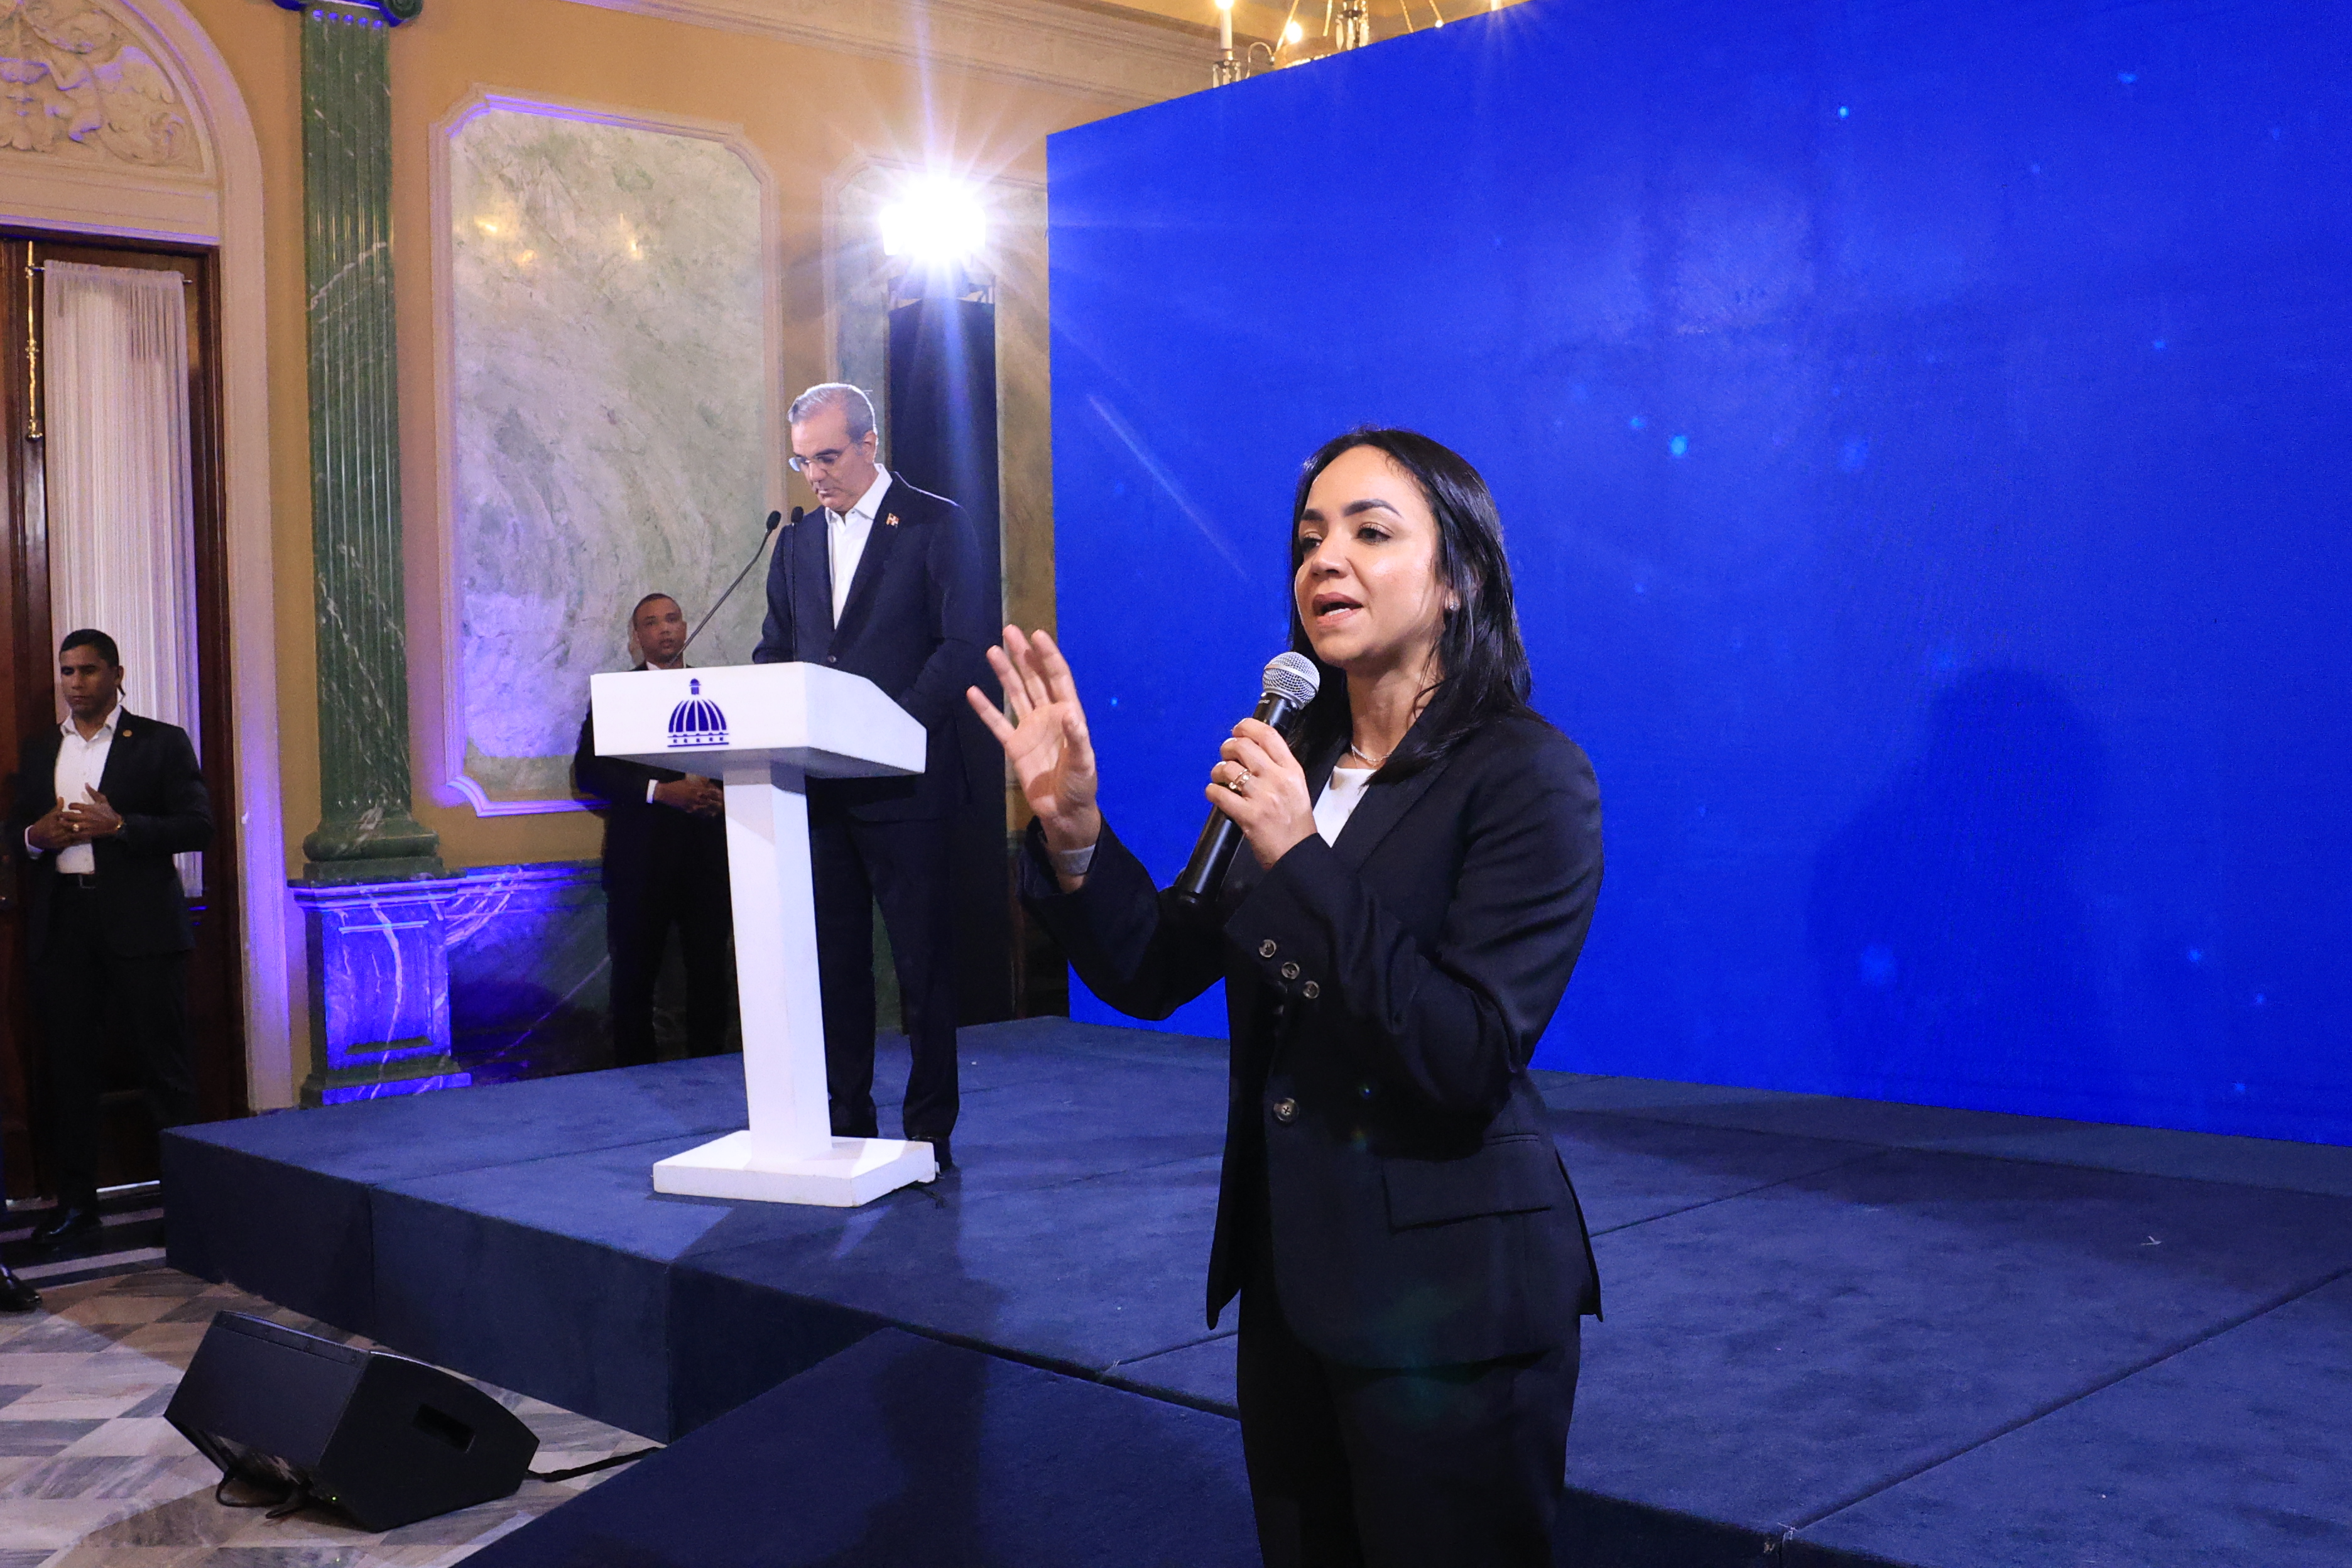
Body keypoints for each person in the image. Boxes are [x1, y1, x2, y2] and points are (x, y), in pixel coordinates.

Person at [969, 430, 1604, 1566]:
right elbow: (1155, 966)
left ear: (1457, 578)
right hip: (1292, 1292)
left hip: (1452, 1308)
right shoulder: (1290, 754)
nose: (1325, 561)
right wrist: (1072, 837)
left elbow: (1464, 1053)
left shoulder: (1527, 776)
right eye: (1310, 538)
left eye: (1370, 531)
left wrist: (1300, 856)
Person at [754, 383, 987, 1168]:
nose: (814, 475)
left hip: (907, 788)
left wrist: (886, 732)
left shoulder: (935, 524)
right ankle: (847, 1119)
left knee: (923, 967)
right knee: (836, 968)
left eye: (827, 456)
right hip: (820, 794)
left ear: (869, 444)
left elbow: (961, 647)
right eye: (802, 461)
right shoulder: (794, 544)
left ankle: (929, 1131)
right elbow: (776, 650)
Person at [7, 629, 213, 1249]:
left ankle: (191, 1205)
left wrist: (120, 825)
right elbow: (15, 831)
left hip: (142, 927)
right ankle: (76, 1204)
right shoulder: (43, 748)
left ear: (117, 675)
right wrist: (34, 838)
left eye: (89, 670)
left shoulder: (160, 742)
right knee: (69, 1071)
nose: (76, 683)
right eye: (67, 671)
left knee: (164, 1068)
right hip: (65, 926)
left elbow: (198, 826)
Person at [574, 594, 735, 1068]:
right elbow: (590, 772)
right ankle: (636, 1080)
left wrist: (725, 797)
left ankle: (711, 1072)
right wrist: (660, 792)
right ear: (636, 638)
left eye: (672, 619)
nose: (664, 629)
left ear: (685, 627)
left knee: (711, 975)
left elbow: (742, 759)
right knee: (634, 980)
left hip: (707, 860)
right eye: (651, 622)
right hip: (640, 863)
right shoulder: (618, 695)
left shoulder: (720, 690)